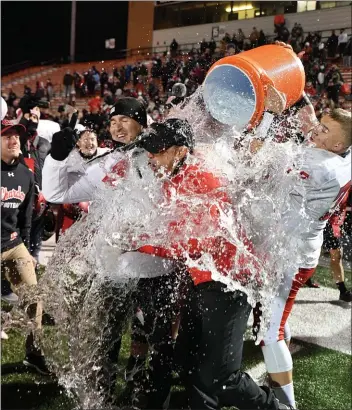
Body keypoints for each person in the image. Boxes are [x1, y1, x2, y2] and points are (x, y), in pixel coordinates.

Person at [135, 119, 292, 410]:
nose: (150, 158)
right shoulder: (180, 169)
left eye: (156, 151)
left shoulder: (203, 179)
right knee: (188, 358)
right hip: (207, 278)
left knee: (224, 377)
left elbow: (196, 244)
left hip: (231, 281)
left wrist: (137, 241)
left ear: (180, 151)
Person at [254, 107, 351, 408]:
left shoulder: (318, 163)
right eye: (320, 126)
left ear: (337, 145)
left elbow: (258, 152)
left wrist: (267, 115)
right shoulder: (343, 159)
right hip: (301, 248)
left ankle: (286, 405)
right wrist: (314, 124)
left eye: (324, 130)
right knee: (275, 320)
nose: (317, 130)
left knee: (269, 333)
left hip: (290, 255)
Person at [1, 120, 48, 374]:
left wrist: (28, 250)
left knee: (34, 297)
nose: (14, 140)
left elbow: (26, 220)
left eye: (16, 136)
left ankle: (33, 352)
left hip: (13, 244)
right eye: (6, 136)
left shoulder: (26, 175)